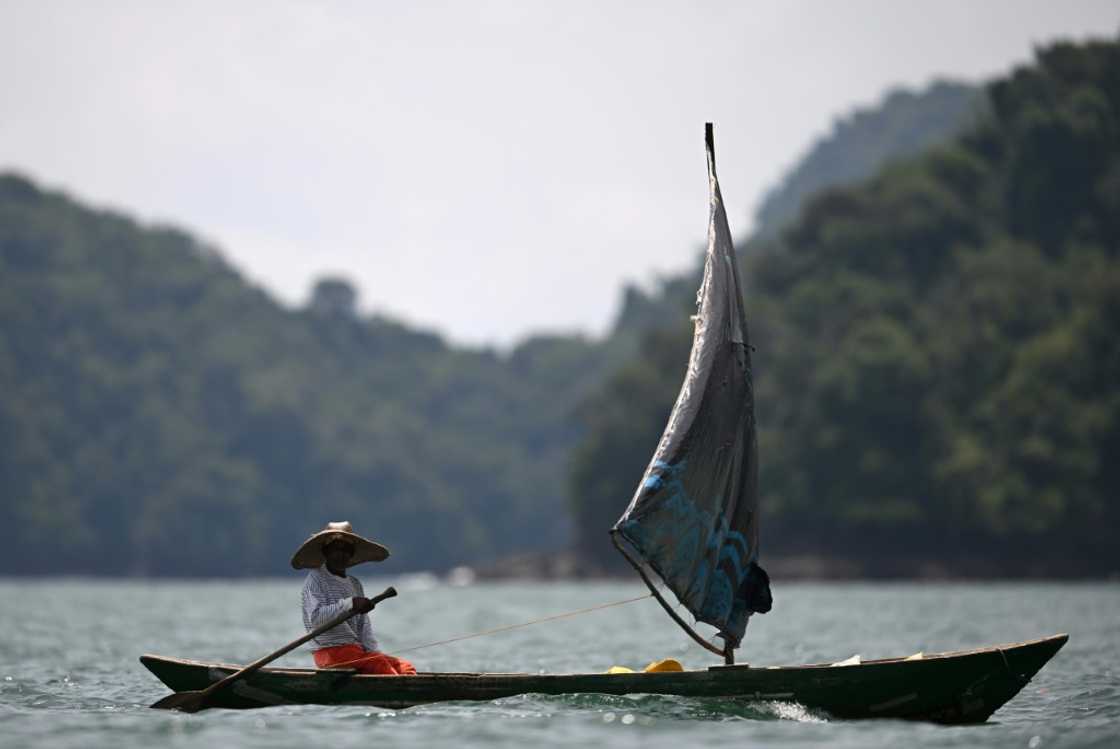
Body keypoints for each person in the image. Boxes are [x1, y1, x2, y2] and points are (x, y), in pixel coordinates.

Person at [292, 521, 417, 675]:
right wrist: (350, 603)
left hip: (355, 652)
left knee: (405, 667)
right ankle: (398, 691)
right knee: (380, 665)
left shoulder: (354, 584)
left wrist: (374, 652)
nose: (341, 554)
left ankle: (406, 687)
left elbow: (363, 625)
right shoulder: (316, 579)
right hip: (329, 652)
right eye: (336, 549)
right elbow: (316, 619)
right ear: (326, 552)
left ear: (351, 554)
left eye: (346, 550)